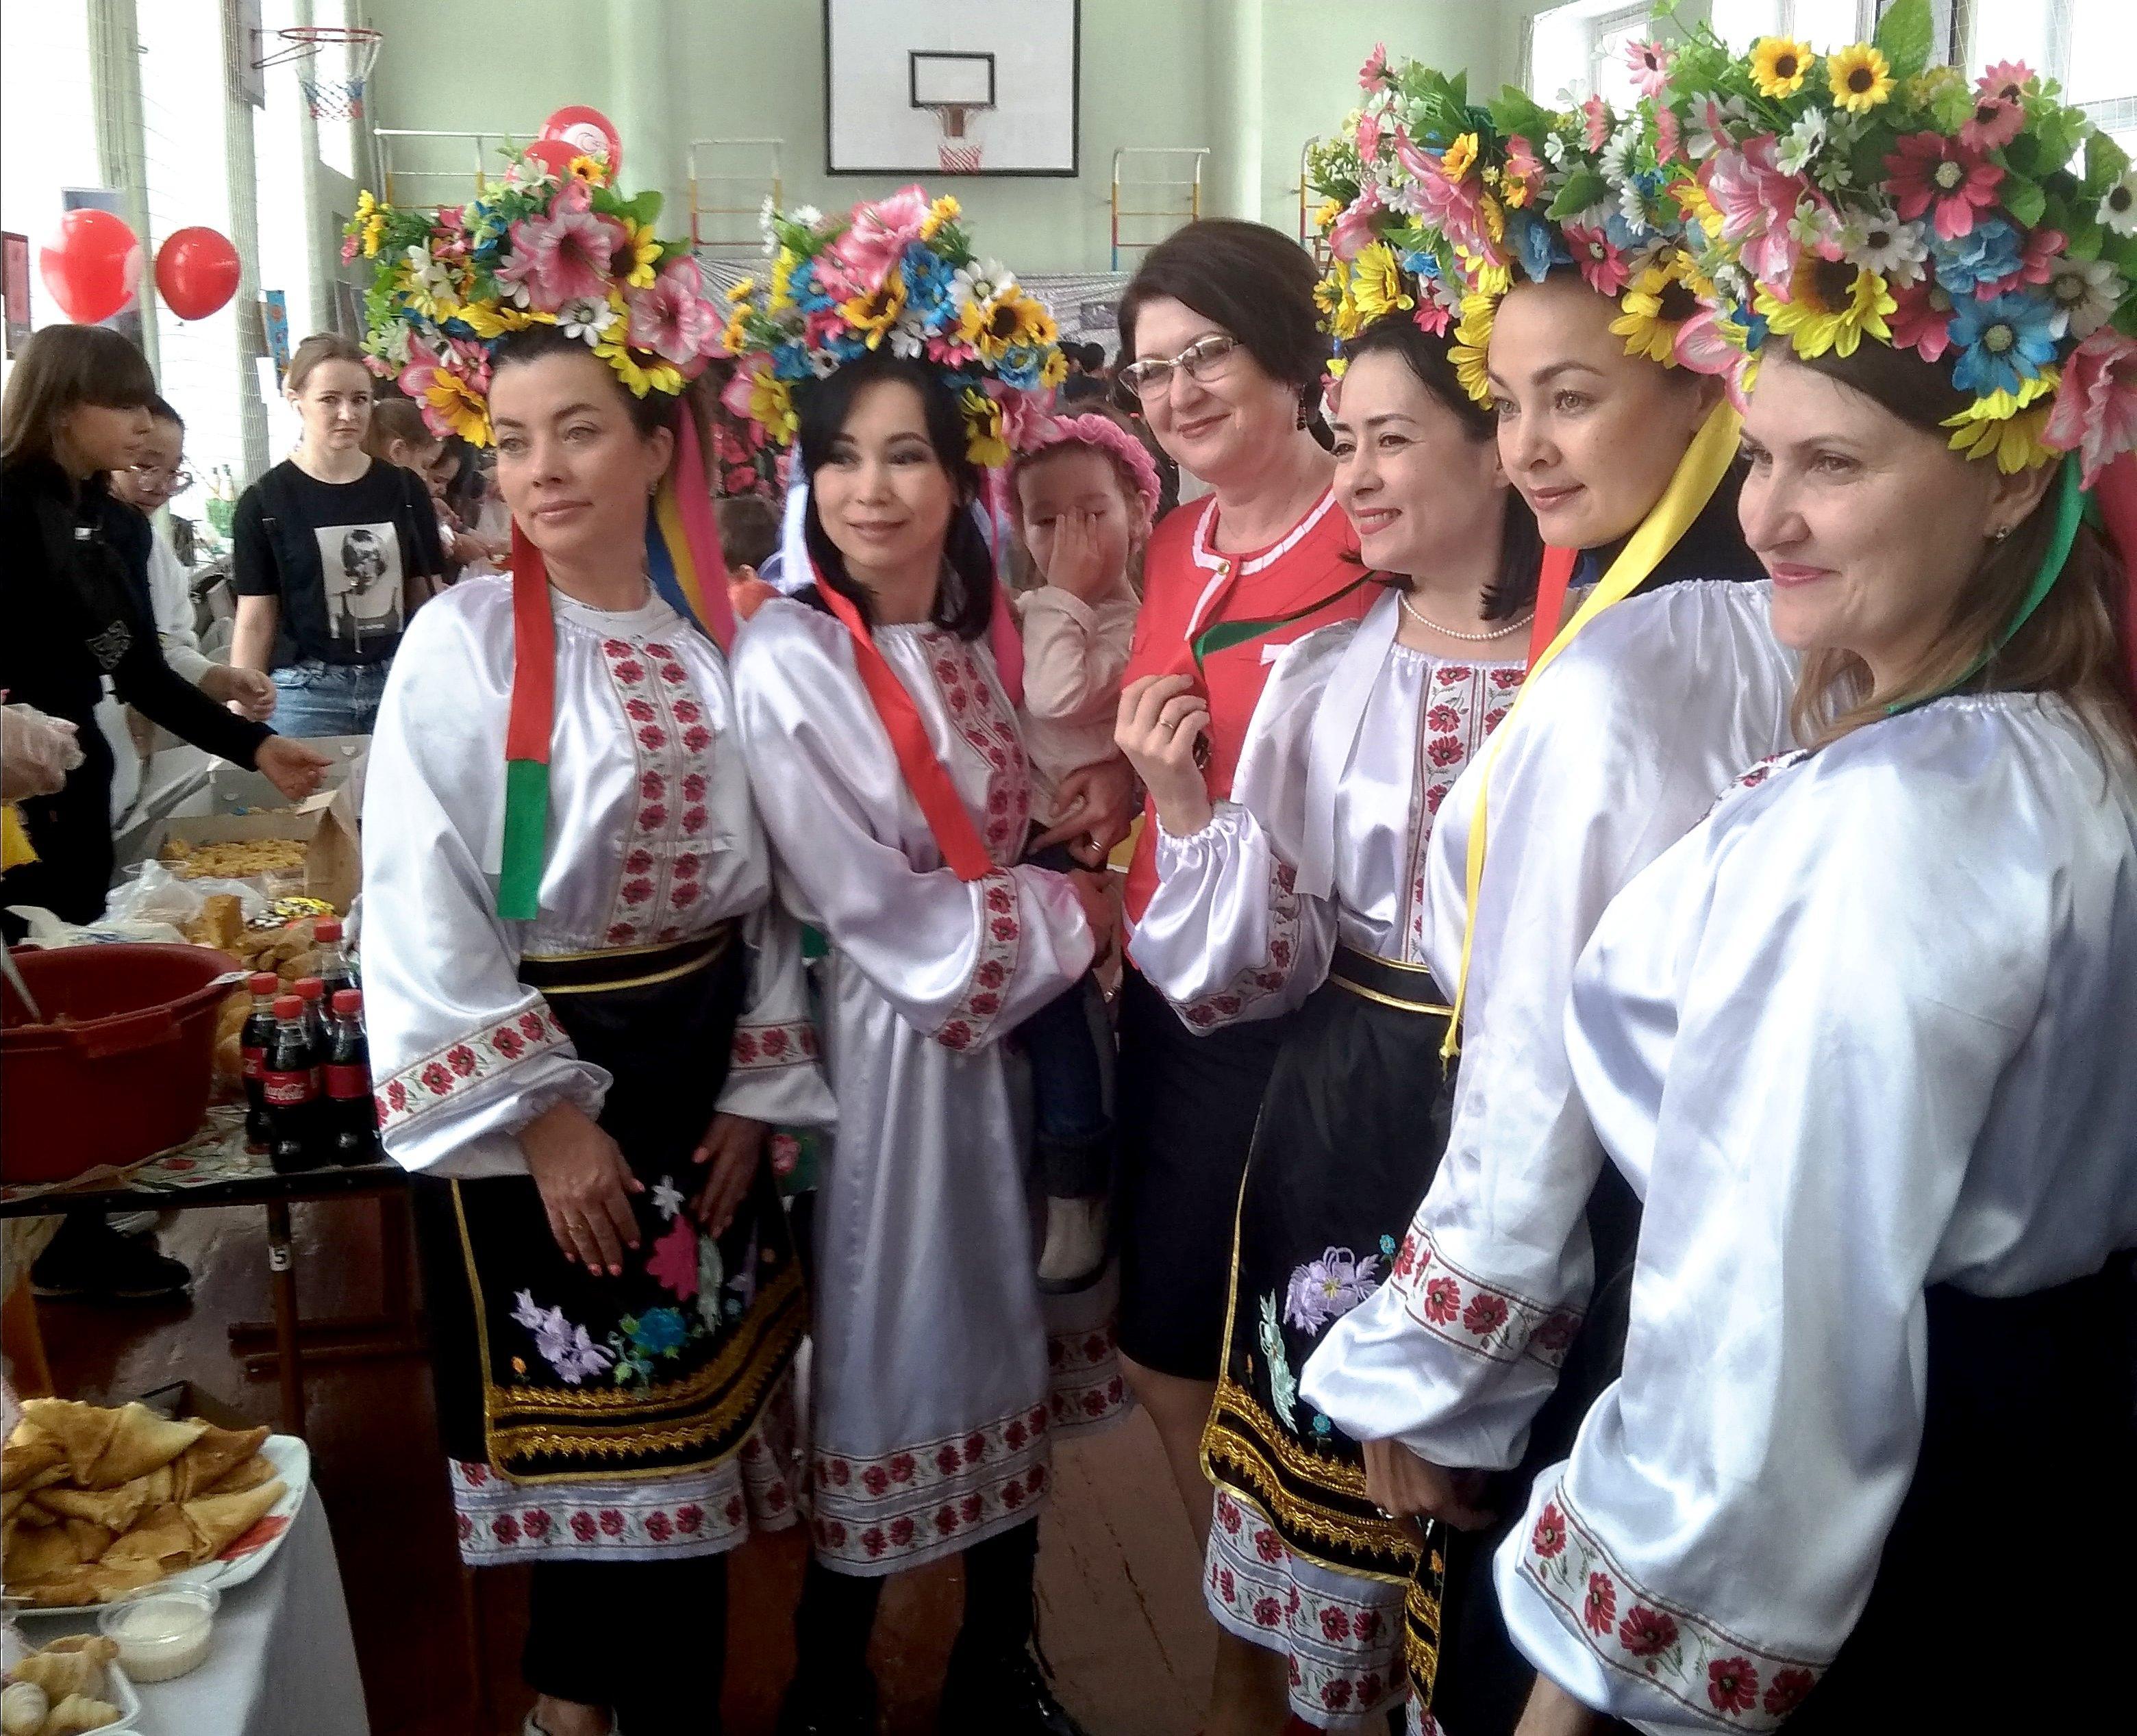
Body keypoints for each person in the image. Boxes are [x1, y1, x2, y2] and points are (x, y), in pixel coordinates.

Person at [1495, 34, 2137, 1730]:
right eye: (1760, 454)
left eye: (1832, 465)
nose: (1768, 515)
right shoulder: (2050, 740)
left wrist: (1587, 1681)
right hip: (2022, 1440)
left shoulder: (1892, 821)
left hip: (1872, 1485)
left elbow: (1773, 1313)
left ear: (2013, 471)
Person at [1293, 55, 1787, 1733]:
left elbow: (1534, 1049)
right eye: (1505, 403)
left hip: (1622, 1254)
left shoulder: (1627, 677)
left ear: (1702, 384)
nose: (1525, 449)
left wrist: (1432, 1367)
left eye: (1569, 396)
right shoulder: (1801, 619)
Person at [353, 153, 833, 1736]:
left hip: (698, 1067)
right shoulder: (465, 642)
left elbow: (768, 894)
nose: (540, 470)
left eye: (577, 431)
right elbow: (420, 898)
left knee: (684, 1449)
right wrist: (544, 1117)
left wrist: (758, 1086)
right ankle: (569, 1712)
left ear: (654, 444)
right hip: (539, 1080)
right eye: (510, 440)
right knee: (585, 1446)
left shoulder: (725, 640)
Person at [725, 190, 1114, 1736]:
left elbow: (997, 837)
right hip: (896, 1059)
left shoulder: (959, 645)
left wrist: (1070, 848)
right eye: (840, 457)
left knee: (1015, 1337)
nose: (869, 490)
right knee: (893, 1354)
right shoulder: (788, 656)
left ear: (961, 480)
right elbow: (874, 909)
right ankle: (830, 1676)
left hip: (1002, 1042)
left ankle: (994, 1660)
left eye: (905, 457)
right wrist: (1075, 917)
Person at [1121, 310, 1542, 1732]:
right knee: (1325, 1529)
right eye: (1344, 439)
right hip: (1346, 1121)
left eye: (1392, 441)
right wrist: (1187, 814)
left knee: (1490, 1543)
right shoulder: (1325, 669)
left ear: (1498, 451)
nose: (1352, 475)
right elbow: (1257, 965)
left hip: (1540, 1120)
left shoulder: (1598, 665)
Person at [1107, 218, 1378, 1726]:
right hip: (1170, 995)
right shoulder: (1172, 545)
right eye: (1153, 370)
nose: (1181, 393)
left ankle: (1274, 1666)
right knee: (1162, 1352)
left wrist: (1194, 805)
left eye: (1207, 353)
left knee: (1285, 1363)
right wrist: (1123, 794)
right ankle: (1253, 1631)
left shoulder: (1367, 532)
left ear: (1286, 350)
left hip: (1309, 1009)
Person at [2, 324, 327, 1305]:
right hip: (13, 804)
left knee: (68, 999)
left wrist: (255, 746)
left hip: (76, 792)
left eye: (151, 405)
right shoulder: (10, 507)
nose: (145, 425)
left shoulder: (109, 522)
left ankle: (76, 1215)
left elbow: (138, 668)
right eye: (127, 404)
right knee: (29, 1011)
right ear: (64, 407)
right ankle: (47, 1229)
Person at [1008, 410, 1160, 1290]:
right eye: (1046, 520)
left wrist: (1062, 595)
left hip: (1078, 851)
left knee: (1059, 1011)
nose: (1071, 540)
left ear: (1139, 512)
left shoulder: (1129, 624)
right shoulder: (1032, 610)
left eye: (1093, 514)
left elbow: (1057, 695)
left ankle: (1078, 1180)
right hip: (1019, 838)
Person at [230, 333, 446, 736]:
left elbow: (424, 595)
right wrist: (239, 717)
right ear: (296, 401)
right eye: (330, 400)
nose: (348, 414)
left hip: (398, 680)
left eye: (360, 400)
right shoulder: (264, 501)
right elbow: (256, 617)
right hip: (305, 690)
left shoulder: (404, 489)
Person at [108, 398, 276, 719]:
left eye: (173, 472)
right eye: (146, 467)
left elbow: (169, 648)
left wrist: (223, 680)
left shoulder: (155, 552)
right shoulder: (62, 540)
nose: (161, 487)